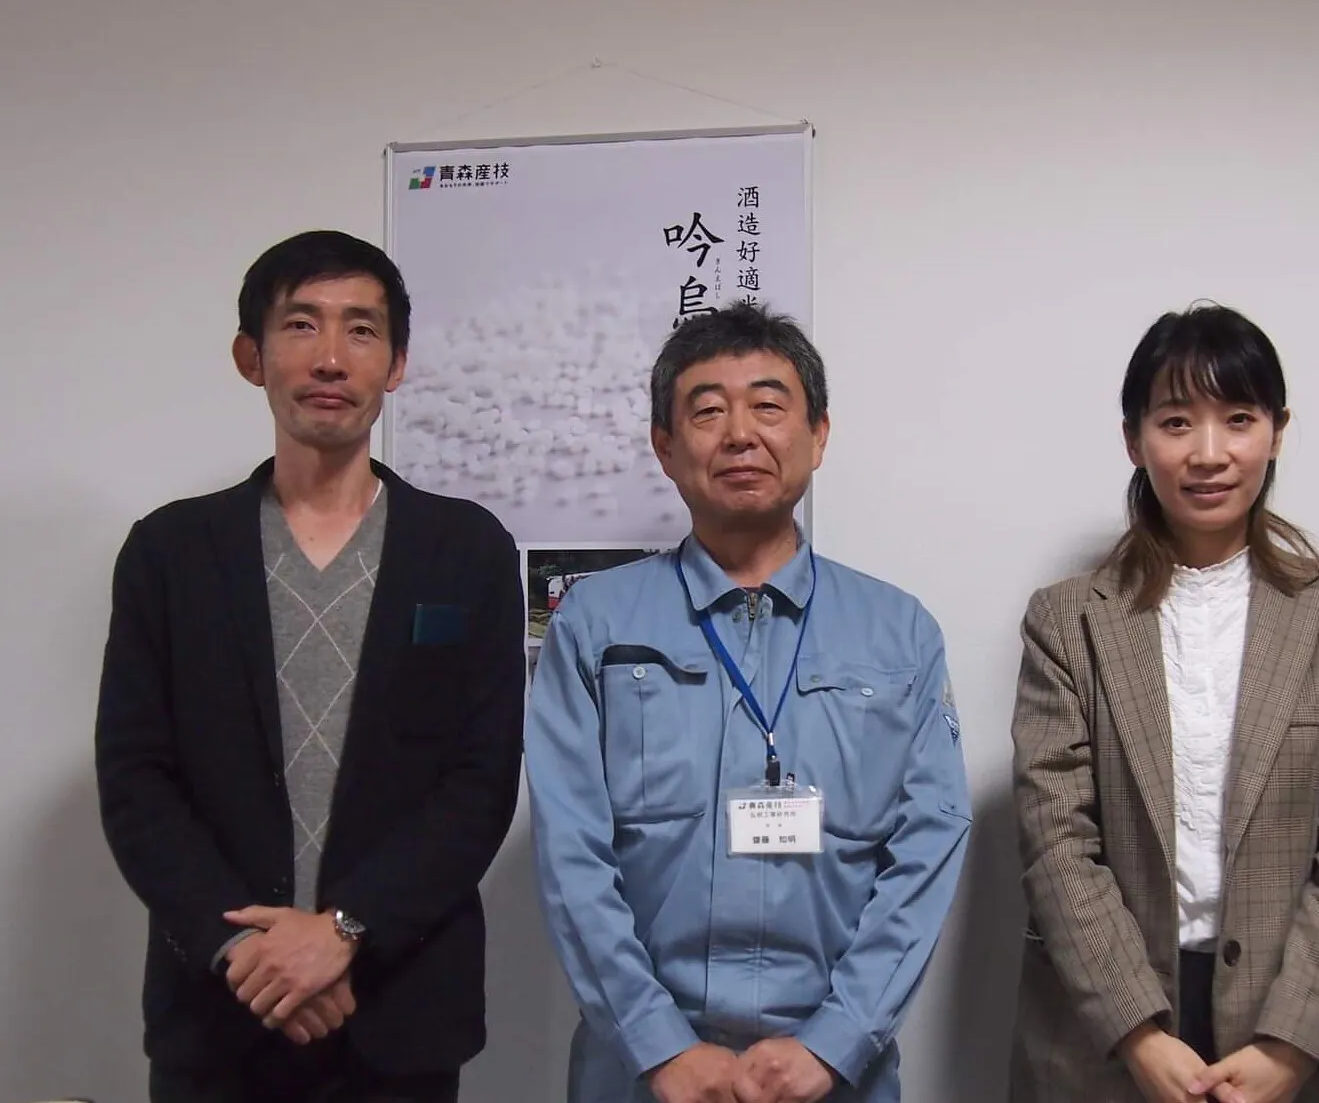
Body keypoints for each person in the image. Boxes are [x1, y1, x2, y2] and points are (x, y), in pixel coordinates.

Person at [94, 230, 526, 1103]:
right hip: (220, 1012)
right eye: (301, 324)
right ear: (250, 357)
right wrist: (245, 951)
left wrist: (344, 931)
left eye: (361, 330)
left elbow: (479, 783)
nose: (331, 357)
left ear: (396, 364)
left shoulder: (467, 550)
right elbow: (137, 780)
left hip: (398, 1013)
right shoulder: (170, 552)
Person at [525, 303, 972, 1103]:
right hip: (639, 1071)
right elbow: (570, 854)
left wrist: (835, 1042)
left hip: (837, 1072)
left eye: (769, 406)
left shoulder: (899, 631)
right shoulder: (596, 624)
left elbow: (927, 848)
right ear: (665, 445)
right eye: (707, 411)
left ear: (818, 435)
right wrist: (659, 1046)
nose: (739, 434)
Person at [1008, 303, 1319, 1103]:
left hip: (1291, 1028)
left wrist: (1291, 1045)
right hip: (1106, 1036)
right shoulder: (1067, 619)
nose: (1209, 453)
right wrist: (1138, 1034)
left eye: (1239, 419)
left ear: (1277, 432)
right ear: (1134, 439)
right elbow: (1057, 843)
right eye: (1176, 422)